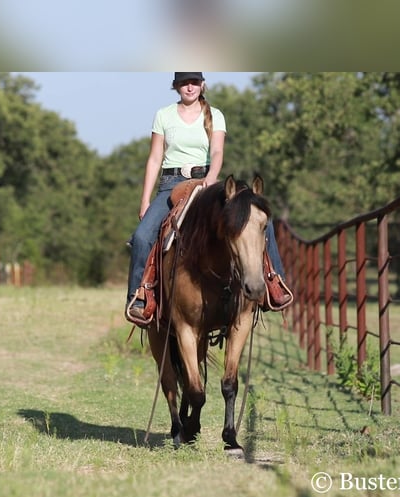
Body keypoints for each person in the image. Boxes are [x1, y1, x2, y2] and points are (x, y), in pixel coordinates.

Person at [125, 72, 291, 327]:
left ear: (202, 85)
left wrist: (212, 176)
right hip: (171, 184)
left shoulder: (215, 115)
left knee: (257, 215)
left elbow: (217, 150)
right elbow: (155, 158)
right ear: (176, 86)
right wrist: (145, 200)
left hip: (207, 180)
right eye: (183, 83)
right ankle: (140, 296)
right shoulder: (163, 115)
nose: (189, 87)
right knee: (141, 236)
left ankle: (273, 281)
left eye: (194, 82)